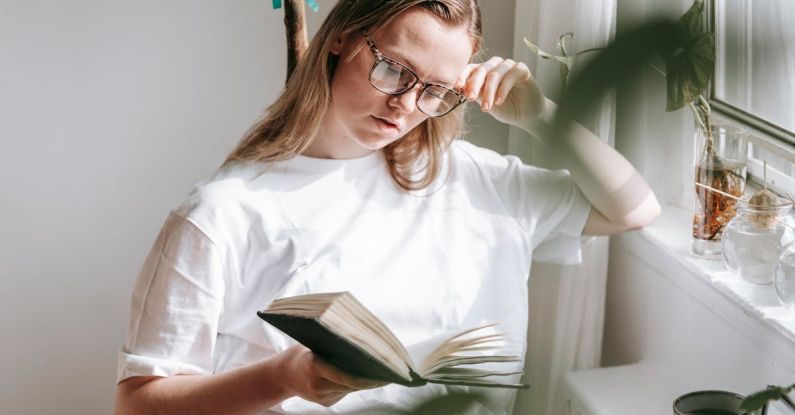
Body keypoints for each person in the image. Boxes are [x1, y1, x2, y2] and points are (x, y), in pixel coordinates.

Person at [114, 0, 660, 414]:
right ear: (341, 38)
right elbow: (138, 404)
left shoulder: (470, 179)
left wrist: (542, 117)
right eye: (394, 69)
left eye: (435, 90)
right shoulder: (224, 213)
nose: (405, 104)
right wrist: (282, 377)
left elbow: (634, 209)